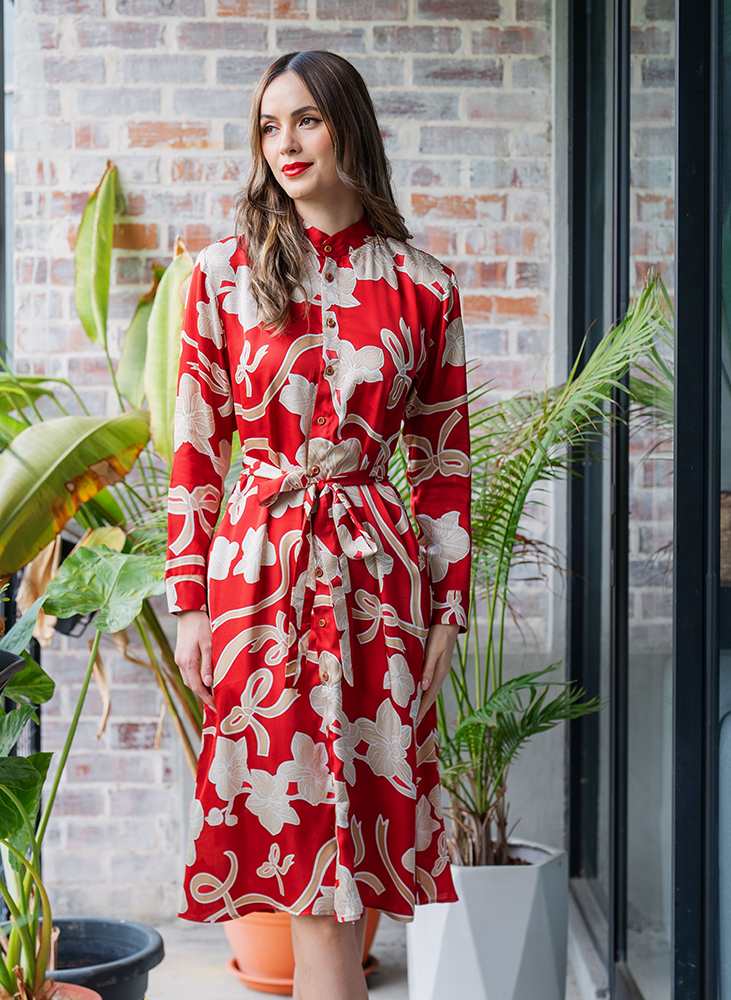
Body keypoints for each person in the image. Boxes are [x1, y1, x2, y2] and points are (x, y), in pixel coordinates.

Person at [166, 49, 471, 1000]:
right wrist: (188, 603)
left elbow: (446, 463)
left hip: (379, 582)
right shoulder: (223, 276)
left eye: (305, 120)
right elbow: (194, 447)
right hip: (260, 576)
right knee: (295, 835)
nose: (285, 144)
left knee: (358, 846)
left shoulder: (425, 285)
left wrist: (448, 613)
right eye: (268, 126)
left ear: (349, 125)